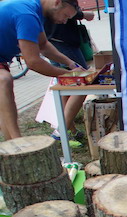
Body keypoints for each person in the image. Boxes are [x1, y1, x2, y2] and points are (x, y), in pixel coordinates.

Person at [0, 0, 83, 140]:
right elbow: (33, 62)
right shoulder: (27, 15)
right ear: (57, 2)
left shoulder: (33, 9)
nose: (64, 22)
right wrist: (70, 74)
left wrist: (71, 64)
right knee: (4, 80)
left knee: (4, 92)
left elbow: (43, 45)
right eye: (66, 16)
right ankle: (18, 143)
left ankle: (13, 144)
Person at [45, 4, 94, 147]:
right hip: (63, 41)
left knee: (65, 86)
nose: (65, 19)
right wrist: (82, 14)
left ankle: (68, 130)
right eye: (65, 16)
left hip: (52, 40)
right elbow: (66, 8)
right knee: (81, 84)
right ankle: (61, 131)